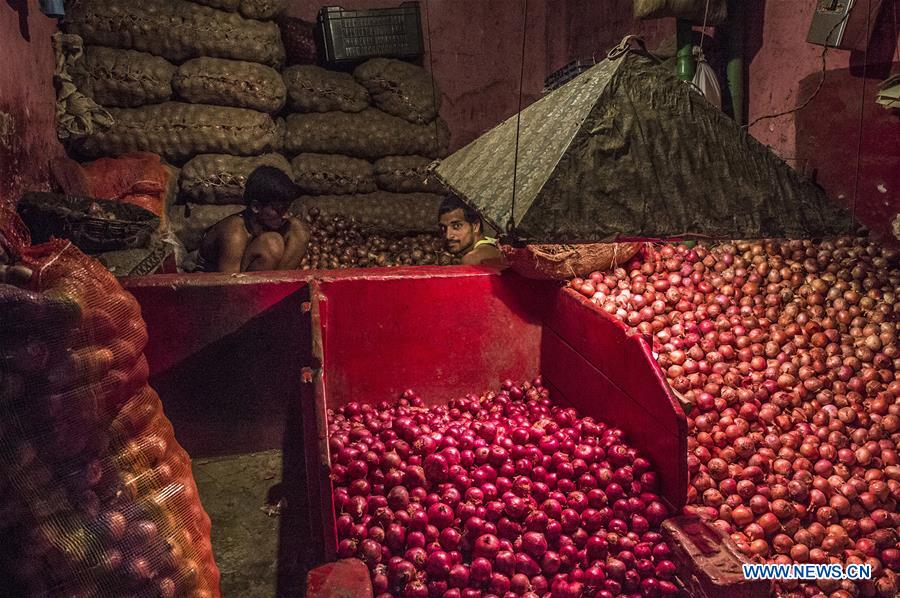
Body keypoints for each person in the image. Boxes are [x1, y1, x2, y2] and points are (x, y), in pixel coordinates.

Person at [195, 166, 310, 273]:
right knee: (271, 243)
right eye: (279, 209)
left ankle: (277, 289)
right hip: (219, 285)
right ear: (256, 207)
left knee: (298, 229)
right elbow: (228, 287)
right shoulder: (234, 233)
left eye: (286, 208)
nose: (286, 215)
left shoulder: (268, 223)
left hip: (254, 281)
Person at [438, 196, 504, 266]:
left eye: (456, 226)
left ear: (475, 226)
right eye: (443, 228)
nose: (448, 236)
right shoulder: (491, 245)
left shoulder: (472, 259)